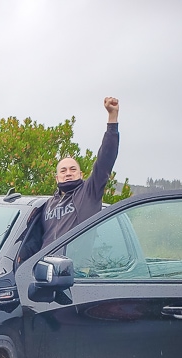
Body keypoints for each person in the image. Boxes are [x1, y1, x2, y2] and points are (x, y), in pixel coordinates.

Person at [41, 96, 120, 248]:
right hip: (46, 268)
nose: (68, 173)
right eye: (63, 171)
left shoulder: (89, 193)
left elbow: (106, 159)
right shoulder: (47, 205)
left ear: (81, 174)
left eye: (73, 169)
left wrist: (112, 118)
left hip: (76, 269)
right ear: (57, 178)